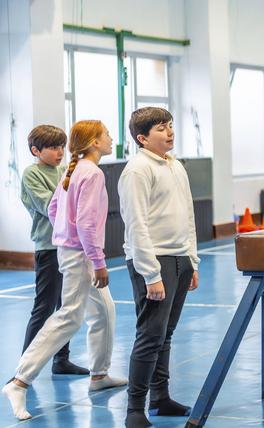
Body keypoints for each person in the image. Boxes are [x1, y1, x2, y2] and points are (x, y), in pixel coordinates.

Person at [4, 120, 125, 421]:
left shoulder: (74, 171)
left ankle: (99, 375)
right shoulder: (92, 173)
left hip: (72, 249)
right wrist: (97, 261)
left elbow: (55, 208)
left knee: (105, 311)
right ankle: (20, 381)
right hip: (79, 254)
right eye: (107, 135)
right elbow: (84, 222)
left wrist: (63, 235)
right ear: (94, 143)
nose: (111, 139)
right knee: (69, 315)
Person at [119, 107, 200, 427]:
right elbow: (135, 226)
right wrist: (151, 274)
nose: (169, 133)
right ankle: (134, 409)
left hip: (179, 259)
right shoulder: (137, 170)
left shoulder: (175, 165)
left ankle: (160, 397)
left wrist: (192, 260)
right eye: (161, 129)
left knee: (166, 334)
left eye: (170, 126)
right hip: (154, 260)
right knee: (150, 335)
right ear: (142, 138)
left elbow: (188, 215)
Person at [18, 125, 89, 376]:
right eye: (53, 148)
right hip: (49, 247)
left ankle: (61, 360)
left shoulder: (63, 169)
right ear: (36, 150)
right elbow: (52, 206)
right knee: (44, 307)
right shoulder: (31, 174)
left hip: (68, 247)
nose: (60, 152)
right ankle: (24, 367)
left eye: (62, 146)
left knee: (66, 306)